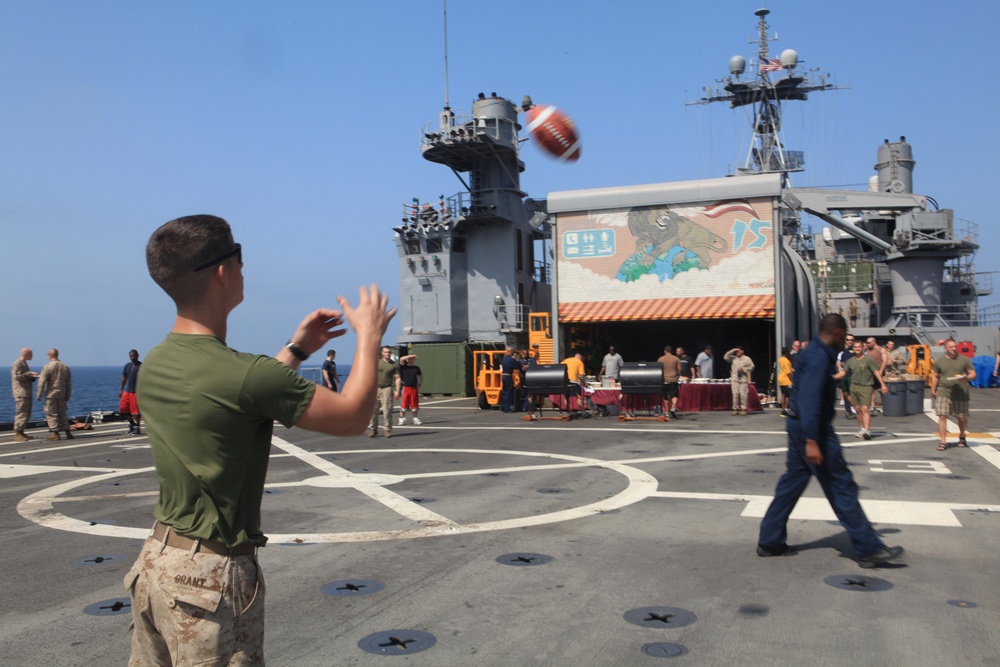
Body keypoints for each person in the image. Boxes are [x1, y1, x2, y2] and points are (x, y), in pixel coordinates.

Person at [125, 214, 394, 666]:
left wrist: (296, 349)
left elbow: (235, 393)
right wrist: (369, 337)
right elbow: (351, 418)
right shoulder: (246, 373)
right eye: (241, 258)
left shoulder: (156, 362)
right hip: (210, 581)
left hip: (155, 567)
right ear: (223, 271)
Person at [757, 313, 904, 568]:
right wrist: (813, 440)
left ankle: (770, 540)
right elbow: (812, 400)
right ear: (836, 332)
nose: (846, 342)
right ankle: (869, 548)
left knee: (792, 483)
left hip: (797, 424)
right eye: (844, 335)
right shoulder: (817, 357)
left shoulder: (812, 352)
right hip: (812, 429)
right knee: (841, 485)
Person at [930, 339, 976, 451]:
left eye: (955, 346)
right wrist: (933, 389)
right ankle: (943, 442)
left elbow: (973, 374)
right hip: (944, 391)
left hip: (960, 391)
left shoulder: (964, 360)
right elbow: (935, 376)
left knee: (961, 417)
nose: (954, 348)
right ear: (945, 348)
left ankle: (962, 436)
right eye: (951, 347)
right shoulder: (940, 361)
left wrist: (965, 378)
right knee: (942, 416)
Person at [843, 340, 886, 440]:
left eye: (859, 347)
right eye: (855, 347)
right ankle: (862, 429)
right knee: (857, 409)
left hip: (866, 386)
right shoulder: (851, 361)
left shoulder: (868, 359)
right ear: (853, 349)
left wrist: (883, 384)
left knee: (865, 408)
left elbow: (876, 372)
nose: (857, 348)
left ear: (862, 348)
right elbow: (843, 373)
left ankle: (867, 430)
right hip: (854, 386)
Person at [36, 348, 72, 441]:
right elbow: (68, 382)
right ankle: (68, 432)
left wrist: (39, 394)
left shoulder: (47, 367)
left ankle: (56, 433)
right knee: (62, 413)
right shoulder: (65, 366)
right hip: (61, 393)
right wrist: (68, 394)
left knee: (51, 413)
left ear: (50, 355)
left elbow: (42, 381)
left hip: (51, 394)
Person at [11, 348, 40, 441]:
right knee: (22, 412)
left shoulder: (24, 364)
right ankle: (18, 433)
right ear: (25, 354)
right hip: (21, 392)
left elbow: (25, 377)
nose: (32, 356)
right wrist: (29, 373)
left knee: (27, 413)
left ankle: (21, 431)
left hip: (26, 392)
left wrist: (32, 377)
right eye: (30, 354)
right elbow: (18, 376)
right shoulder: (17, 363)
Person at [370, 346, 399, 436]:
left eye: (389, 352)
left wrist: (397, 391)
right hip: (376, 388)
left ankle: (387, 429)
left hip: (387, 388)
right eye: (386, 352)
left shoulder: (394, 365)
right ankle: (373, 429)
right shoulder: (377, 363)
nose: (387, 354)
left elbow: (397, 378)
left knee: (387, 410)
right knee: (373, 410)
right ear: (382, 353)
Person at [724, 345, 754, 416]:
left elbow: (752, 367)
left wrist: (744, 369)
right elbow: (725, 357)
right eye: (736, 351)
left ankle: (744, 409)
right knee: (735, 394)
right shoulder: (734, 358)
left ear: (742, 351)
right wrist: (733, 350)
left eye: (738, 351)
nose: (737, 352)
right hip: (735, 379)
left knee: (743, 395)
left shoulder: (747, 359)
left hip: (743, 379)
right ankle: (735, 409)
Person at [119, 349, 143, 435]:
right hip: (128, 391)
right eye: (131, 356)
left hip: (136, 392)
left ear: (138, 355)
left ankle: (138, 427)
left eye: (134, 356)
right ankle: (132, 424)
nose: (132, 357)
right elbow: (124, 377)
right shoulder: (127, 366)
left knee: (136, 412)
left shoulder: (142, 366)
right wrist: (121, 390)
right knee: (123, 409)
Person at [397, 354, 423, 425]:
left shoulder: (416, 368)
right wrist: (411, 355)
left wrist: (420, 384)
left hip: (414, 388)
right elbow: (401, 359)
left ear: (413, 360)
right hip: (406, 388)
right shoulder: (404, 367)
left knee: (414, 404)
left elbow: (421, 375)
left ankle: (415, 418)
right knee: (404, 403)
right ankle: (401, 418)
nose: (409, 360)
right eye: (408, 359)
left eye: (411, 359)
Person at [657, 345, 682, 418]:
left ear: (665, 351)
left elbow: (658, 370)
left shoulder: (660, 359)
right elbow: (680, 369)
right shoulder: (676, 358)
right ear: (671, 351)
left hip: (664, 380)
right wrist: (678, 374)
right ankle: (673, 408)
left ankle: (667, 412)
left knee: (666, 397)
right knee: (675, 395)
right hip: (673, 379)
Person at [865, 337, 887, 413]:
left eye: (868, 343)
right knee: (871, 390)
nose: (867, 344)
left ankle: (885, 404)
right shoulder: (867, 350)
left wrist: (881, 370)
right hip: (870, 373)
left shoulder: (882, 349)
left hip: (879, 372)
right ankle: (873, 406)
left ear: (873, 342)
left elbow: (885, 361)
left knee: (881, 389)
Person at [838, 333, 856, 419]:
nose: (850, 342)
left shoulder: (857, 351)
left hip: (855, 376)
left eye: (851, 340)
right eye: (848, 340)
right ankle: (849, 410)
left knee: (854, 394)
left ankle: (854, 410)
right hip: (845, 376)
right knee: (846, 394)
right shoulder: (842, 353)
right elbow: (838, 364)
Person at [499, 346, 519, 413]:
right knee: (509, 392)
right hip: (508, 376)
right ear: (511, 352)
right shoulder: (511, 360)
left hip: (503, 376)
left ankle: (502, 406)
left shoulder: (504, 359)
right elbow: (517, 366)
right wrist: (517, 359)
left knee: (504, 392)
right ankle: (507, 408)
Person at [777, 347, 793, 417]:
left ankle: (782, 409)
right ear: (786, 352)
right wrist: (793, 381)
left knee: (783, 394)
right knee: (788, 395)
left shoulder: (780, 359)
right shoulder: (786, 361)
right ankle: (786, 409)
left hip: (780, 378)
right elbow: (788, 372)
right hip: (786, 379)